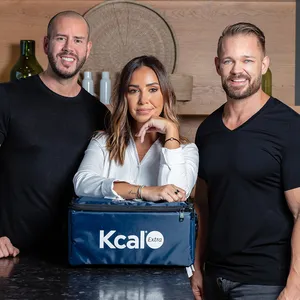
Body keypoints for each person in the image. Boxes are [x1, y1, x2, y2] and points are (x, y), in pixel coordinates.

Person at [191, 22, 300, 300]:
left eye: (247, 60)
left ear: (264, 65)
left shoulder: (289, 127)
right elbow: (203, 206)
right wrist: (197, 268)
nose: (237, 69)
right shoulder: (207, 131)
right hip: (214, 278)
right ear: (218, 65)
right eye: (229, 60)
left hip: (265, 284)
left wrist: (295, 288)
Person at [0, 11, 109, 258]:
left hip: (74, 256)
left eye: (78, 41)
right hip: (11, 254)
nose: (69, 48)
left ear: (88, 49)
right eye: (61, 38)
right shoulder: (7, 97)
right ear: (46, 44)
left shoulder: (99, 114)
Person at [73, 55, 198, 202]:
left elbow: (176, 196)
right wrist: (142, 191)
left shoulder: (186, 150)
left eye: (152, 89)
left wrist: (171, 130)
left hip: (158, 226)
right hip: (110, 226)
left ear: (165, 95)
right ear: (124, 97)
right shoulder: (103, 142)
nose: (143, 100)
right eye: (133, 91)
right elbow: (82, 183)